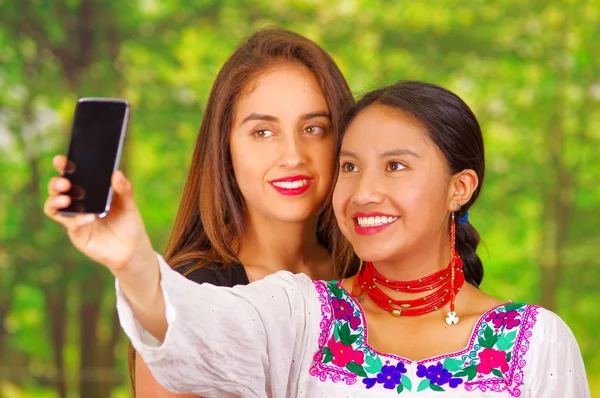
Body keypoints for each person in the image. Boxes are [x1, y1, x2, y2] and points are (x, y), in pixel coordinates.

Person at [44, 81, 589, 397]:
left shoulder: (536, 341)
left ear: (459, 188)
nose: (364, 192)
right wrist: (132, 259)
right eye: (349, 167)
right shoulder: (301, 311)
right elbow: (194, 324)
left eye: (396, 166)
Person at [44, 28, 356, 398]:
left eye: (314, 128)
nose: (293, 155)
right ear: (225, 147)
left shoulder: (368, 268)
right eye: (262, 132)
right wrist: (133, 265)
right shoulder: (193, 292)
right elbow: (169, 323)